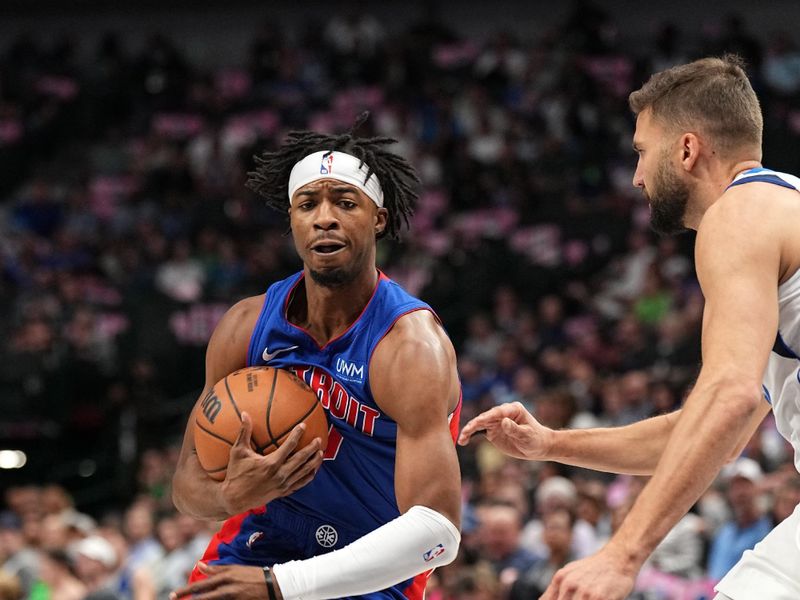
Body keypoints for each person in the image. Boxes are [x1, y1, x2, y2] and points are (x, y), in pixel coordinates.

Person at [459, 54, 800, 599]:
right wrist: (551, 443)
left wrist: (623, 554)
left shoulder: (737, 216)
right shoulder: (780, 204)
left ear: (686, 150)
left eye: (642, 152)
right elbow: (712, 435)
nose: (638, 176)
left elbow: (727, 397)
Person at [171, 118, 462, 600]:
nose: (324, 218)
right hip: (263, 543)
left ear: (379, 219)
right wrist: (228, 495)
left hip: (371, 564)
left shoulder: (409, 346)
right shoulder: (244, 327)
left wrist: (280, 585)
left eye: (345, 203)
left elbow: (437, 533)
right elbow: (186, 484)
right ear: (292, 220)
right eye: (308, 204)